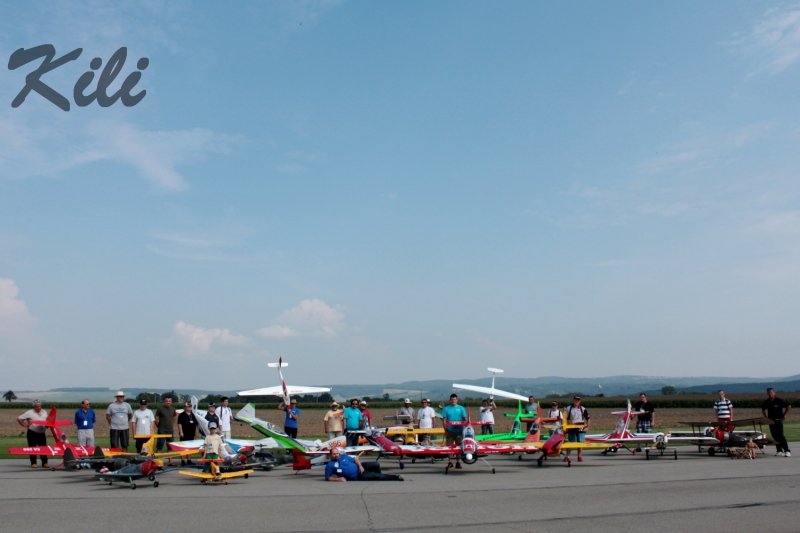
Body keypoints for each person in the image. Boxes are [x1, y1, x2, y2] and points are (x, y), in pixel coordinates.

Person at [324, 447, 403, 481]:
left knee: (376, 464)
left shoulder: (343, 456)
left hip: (361, 467)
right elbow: (327, 477)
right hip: (357, 476)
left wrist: (360, 466)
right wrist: (338, 479)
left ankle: (378, 476)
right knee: (377, 476)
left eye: (337, 453)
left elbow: (355, 459)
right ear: (330, 455)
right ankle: (396, 477)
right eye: (334, 454)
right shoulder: (330, 465)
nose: (337, 455)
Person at [17, 400, 49, 468]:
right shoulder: (29, 412)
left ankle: (45, 463)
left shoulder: (44, 412)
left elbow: (47, 421)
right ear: (34, 406)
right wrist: (25, 425)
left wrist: (47, 425)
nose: (38, 408)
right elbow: (19, 418)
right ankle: (33, 463)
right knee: (32, 448)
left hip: (42, 433)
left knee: (43, 448)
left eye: (39, 406)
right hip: (32, 432)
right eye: (37, 406)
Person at [441, 393, 468, 469]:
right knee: (449, 447)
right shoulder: (446, 409)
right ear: (450, 400)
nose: (453, 401)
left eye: (455, 399)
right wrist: (445, 430)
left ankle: (458, 462)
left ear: (457, 400)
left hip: (459, 431)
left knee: (459, 447)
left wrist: (465, 428)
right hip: (449, 431)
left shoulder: (461, 408)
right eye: (452, 399)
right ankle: (450, 462)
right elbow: (444, 420)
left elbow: (465, 419)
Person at [762, 387, 791, 457]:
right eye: (768, 393)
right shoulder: (767, 401)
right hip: (771, 421)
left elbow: (788, 406)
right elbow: (763, 409)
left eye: (771, 392)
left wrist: (784, 415)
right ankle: (779, 450)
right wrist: (766, 417)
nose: (770, 394)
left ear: (774, 393)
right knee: (774, 436)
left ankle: (787, 451)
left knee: (780, 436)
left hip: (778, 420)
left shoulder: (779, 400)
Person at [564, 396, 590, 462]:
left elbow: (588, 418)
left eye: (578, 400)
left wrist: (587, 427)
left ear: (580, 401)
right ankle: (567, 456)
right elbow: (564, 419)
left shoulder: (583, 409)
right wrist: (566, 427)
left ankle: (579, 456)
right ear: (573, 400)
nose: (576, 401)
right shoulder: (568, 408)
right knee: (570, 442)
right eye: (575, 400)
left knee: (580, 442)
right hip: (571, 427)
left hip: (580, 427)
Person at [177, 401, 198, 466]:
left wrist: (196, 432)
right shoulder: (181, 415)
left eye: (190, 406)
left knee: (190, 447)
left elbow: (195, 424)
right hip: (184, 433)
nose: (189, 408)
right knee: (183, 447)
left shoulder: (192, 415)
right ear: (185, 407)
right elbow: (179, 424)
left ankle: (189, 460)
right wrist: (181, 432)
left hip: (191, 433)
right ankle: (183, 460)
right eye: (188, 407)